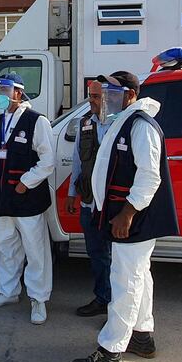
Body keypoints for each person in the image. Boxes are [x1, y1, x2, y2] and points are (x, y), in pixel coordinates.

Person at [69, 71, 180, 362]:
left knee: (125, 280)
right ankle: (142, 337)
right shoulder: (123, 121)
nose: (104, 99)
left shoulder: (141, 126)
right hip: (121, 214)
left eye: (111, 93)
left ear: (131, 94)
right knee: (138, 275)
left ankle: (111, 351)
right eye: (102, 93)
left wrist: (127, 214)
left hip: (134, 218)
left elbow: (149, 177)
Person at [0, 73, 55, 325]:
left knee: (35, 251)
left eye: (4, 89)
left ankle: (38, 299)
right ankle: (8, 291)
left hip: (27, 199)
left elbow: (47, 161)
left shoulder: (37, 121)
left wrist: (26, 182)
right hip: (2, 197)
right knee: (5, 248)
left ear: (18, 93)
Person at [66, 78, 121, 318]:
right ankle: (102, 298)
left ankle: (117, 309)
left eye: (96, 97)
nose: (92, 101)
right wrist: (71, 194)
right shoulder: (85, 123)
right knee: (96, 253)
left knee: (118, 259)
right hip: (90, 202)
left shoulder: (121, 125)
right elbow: (78, 160)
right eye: (90, 96)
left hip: (113, 204)